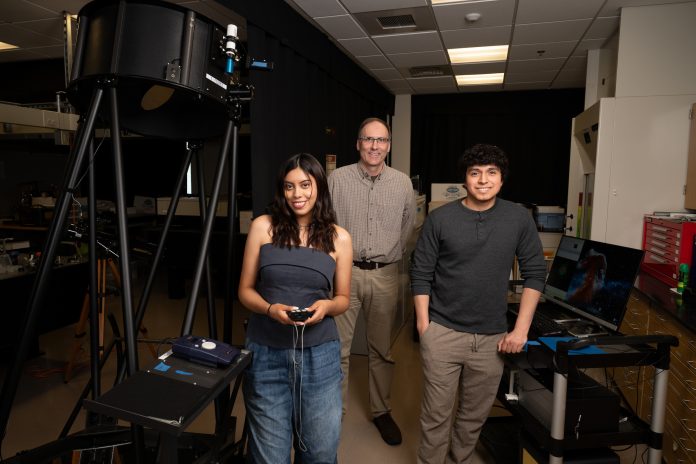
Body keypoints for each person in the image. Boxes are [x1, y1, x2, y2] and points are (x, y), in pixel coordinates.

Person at [410, 143, 547, 464]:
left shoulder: (518, 219)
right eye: (475, 173)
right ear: (465, 180)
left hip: (491, 339)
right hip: (442, 333)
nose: (483, 180)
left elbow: (535, 274)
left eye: (491, 173)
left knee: (472, 421)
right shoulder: (440, 218)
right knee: (435, 419)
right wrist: (423, 326)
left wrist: (521, 331)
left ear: (502, 179)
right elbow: (421, 272)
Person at [238, 153, 352, 463]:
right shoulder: (263, 227)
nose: (297, 195)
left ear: (319, 186)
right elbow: (245, 291)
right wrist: (271, 308)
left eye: (305, 185)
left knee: (319, 453)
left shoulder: (339, 238)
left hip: (320, 357)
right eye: (289, 187)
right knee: (269, 457)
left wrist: (327, 306)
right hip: (266, 353)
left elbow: (343, 298)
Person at [327, 117, 416, 446]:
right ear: (358, 143)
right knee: (339, 349)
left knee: (381, 349)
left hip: (385, 274)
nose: (375, 146)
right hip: (344, 273)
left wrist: (386, 254)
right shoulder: (337, 179)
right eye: (368, 139)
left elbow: (407, 228)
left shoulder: (402, 183)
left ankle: (381, 411)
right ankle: (333, 410)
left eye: (381, 140)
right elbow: (326, 224)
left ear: (389, 146)